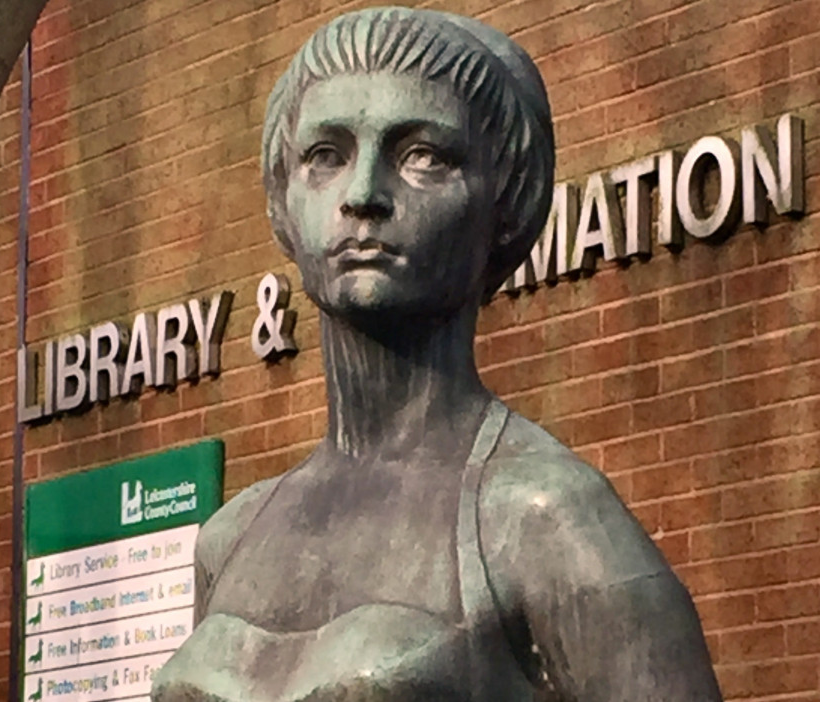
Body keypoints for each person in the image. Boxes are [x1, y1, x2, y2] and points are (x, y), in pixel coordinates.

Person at [150, 7, 723, 701]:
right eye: (325, 156)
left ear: (504, 202)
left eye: (423, 156)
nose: (362, 196)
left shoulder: (543, 520)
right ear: (283, 201)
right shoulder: (230, 540)